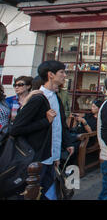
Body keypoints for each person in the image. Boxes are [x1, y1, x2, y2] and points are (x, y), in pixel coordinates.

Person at [10, 60, 75, 199]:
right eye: (62, 72)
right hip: (36, 159)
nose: (65, 75)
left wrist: (66, 144)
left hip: (51, 158)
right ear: (51, 75)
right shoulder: (38, 98)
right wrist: (45, 121)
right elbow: (16, 129)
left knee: (48, 194)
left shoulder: (56, 98)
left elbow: (60, 125)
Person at [66, 99, 102, 165]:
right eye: (92, 106)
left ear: (99, 109)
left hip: (88, 139)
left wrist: (84, 122)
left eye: (94, 107)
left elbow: (91, 133)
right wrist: (77, 116)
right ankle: (64, 163)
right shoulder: (90, 115)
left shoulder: (100, 120)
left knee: (72, 144)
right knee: (66, 140)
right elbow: (83, 115)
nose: (92, 108)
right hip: (79, 135)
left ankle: (70, 164)